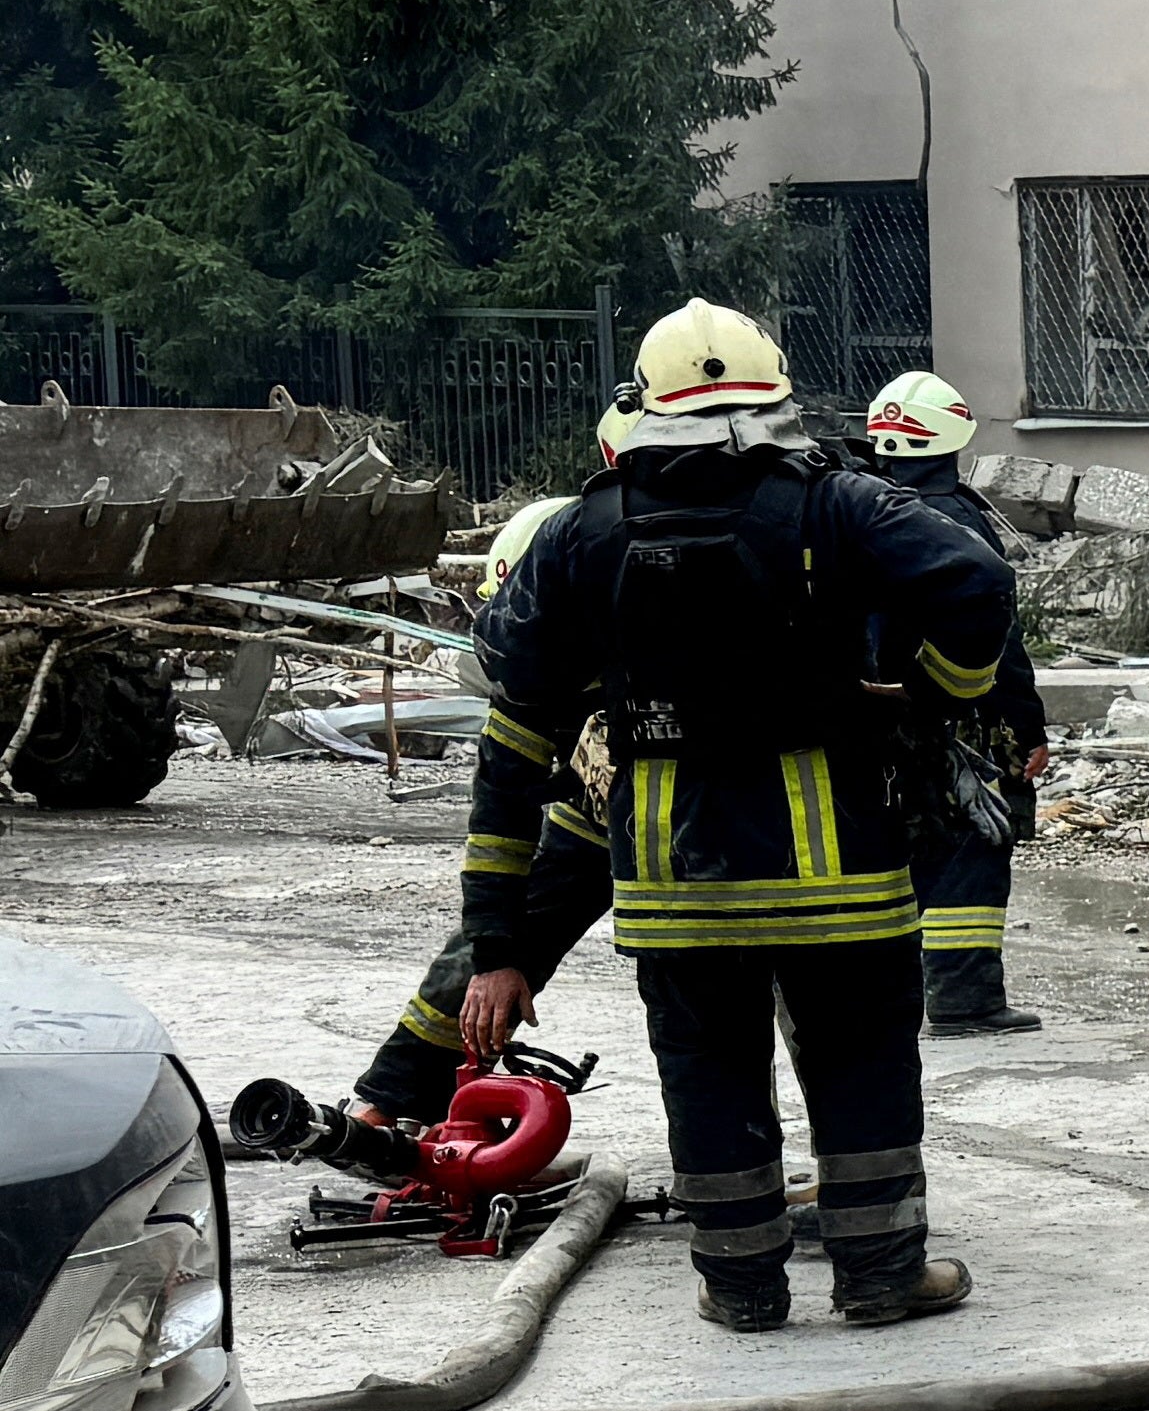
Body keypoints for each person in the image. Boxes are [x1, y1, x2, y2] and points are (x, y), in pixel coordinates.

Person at [457, 302, 1016, 1333]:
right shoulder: (835, 505)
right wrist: (938, 691)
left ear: (645, 402)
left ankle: (742, 1286)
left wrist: (498, 940)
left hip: (678, 889)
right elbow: (977, 581)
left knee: (709, 1079)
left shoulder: (584, 532)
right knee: (862, 1072)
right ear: (777, 396)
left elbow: (511, 735)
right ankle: (882, 1275)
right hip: (842, 877)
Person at [342, 397, 641, 1130]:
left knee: (732, 992)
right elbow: (501, 811)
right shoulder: (573, 582)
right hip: (605, 811)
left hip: (707, 820)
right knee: (495, 943)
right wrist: (496, 956)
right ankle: (391, 1098)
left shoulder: (606, 579)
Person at [864, 369, 1052, 1037]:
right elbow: (997, 634)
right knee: (977, 838)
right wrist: (1026, 725)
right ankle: (965, 998)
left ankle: (908, 991)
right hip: (962, 718)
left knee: (905, 847)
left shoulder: (855, 511)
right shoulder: (955, 523)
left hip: (873, 717)